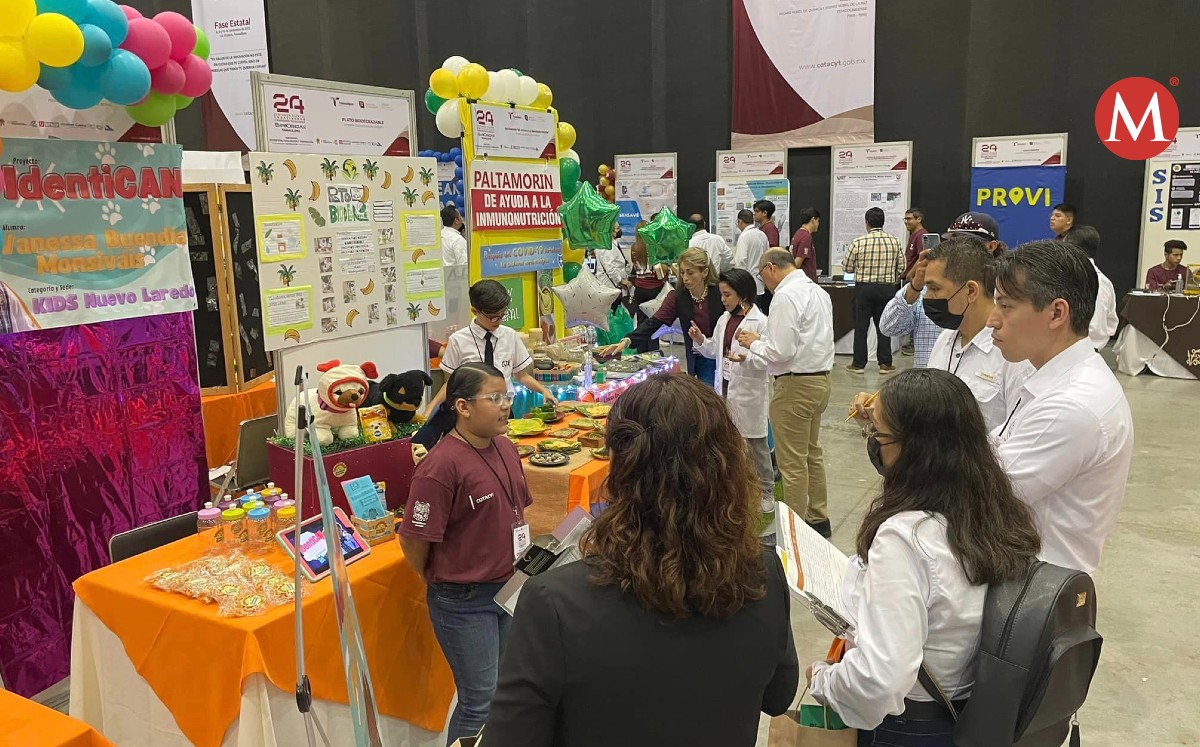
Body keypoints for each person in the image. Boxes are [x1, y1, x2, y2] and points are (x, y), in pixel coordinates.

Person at [485, 373, 799, 747]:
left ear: (619, 467)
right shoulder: (764, 573)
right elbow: (778, 696)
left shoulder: (553, 602)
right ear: (730, 466)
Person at [820, 369, 1041, 744]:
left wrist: (825, 681)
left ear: (918, 449)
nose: (873, 445)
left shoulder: (905, 538)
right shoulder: (998, 511)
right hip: (970, 712)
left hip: (911, 726)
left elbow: (880, 679)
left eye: (878, 436)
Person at [399, 363, 534, 745]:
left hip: (508, 589)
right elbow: (413, 540)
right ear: (462, 407)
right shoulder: (440, 467)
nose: (505, 405)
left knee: (504, 689)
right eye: (494, 398)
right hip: (463, 601)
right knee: (479, 700)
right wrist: (444, 578)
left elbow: (517, 511)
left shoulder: (505, 446)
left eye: (505, 396)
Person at [988, 240, 1134, 574]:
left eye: (1006, 306)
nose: (992, 320)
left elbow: (982, 494)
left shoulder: (1070, 405)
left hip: (1028, 586)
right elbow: (996, 446)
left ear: (1056, 313)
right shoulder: (1051, 377)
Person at [736, 249, 834, 537]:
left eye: (761, 274)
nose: (762, 281)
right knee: (810, 454)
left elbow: (781, 351)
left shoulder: (785, 296)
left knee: (792, 463)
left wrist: (754, 342)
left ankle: (794, 532)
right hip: (820, 380)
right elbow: (799, 342)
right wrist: (763, 340)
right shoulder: (817, 291)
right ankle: (818, 518)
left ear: (770, 268)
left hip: (795, 385)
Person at [690, 268, 776, 542]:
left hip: (750, 389)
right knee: (732, 444)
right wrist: (700, 341)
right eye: (722, 294)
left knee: (757, 445)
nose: (723, 299)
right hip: (726, 387)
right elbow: (716, 349)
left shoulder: (760, 322)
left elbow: (767, 360)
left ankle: (767, 492)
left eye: (727, 294)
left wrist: (745, 359)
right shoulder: (725, 319)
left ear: (743, 294)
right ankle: (740, 489)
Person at [920, 237, 1033, 430]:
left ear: (971, 290)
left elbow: (1018, 438)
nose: (927, 298)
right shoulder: (946, 339)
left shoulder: (1014, 355)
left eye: (935, 289)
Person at [880, 212, 1002, 369]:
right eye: (953, 241)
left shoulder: (1004, 297)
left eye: (969, 244)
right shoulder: (928, 291)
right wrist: (916, 286)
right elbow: (889, 327)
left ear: (991, 247)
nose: (959, 249)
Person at [424, 280, 557, 421]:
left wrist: (543, 390)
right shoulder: (458, 340)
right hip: (472, 417)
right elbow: (450, 384)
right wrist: (431, 407)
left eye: (502, 315)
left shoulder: (509, 335)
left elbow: (521, 376)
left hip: (504, 413)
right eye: (493, 316)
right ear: (475, 311)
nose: (498, 321)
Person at [599, 248, 724, 385]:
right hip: (698, 357)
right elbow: (654, 322)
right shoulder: (678, 296)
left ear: (704, 272)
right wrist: (627, 341)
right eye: (682, 272)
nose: (685, 278)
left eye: (690, 272)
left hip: (724, 354)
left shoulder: (720, 292)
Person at [843, 207, 905, 374]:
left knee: (861, 327)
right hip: (886, 289)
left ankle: (858, 364)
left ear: (867, 223)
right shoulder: (895, 241)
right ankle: (885, 363)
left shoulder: (858, 242)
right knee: (884, 326)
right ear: (883, 222)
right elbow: (902, 267)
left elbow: (847, 267)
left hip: (863, 289)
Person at [1062, 225, 1118, 350]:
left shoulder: (1091, 281)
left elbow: (1094, 327)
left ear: (1071, 248)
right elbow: (1110, 322)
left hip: (1079, 349)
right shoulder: (1104, 281)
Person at [625, 220, 668, 332]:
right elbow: (663, 270)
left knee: (641, 321)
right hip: (655, 289)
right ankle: (653, 347)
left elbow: (634, 265)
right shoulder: (655, 247)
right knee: (653, 321)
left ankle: (641, 347)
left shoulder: (634, 248)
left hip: (639, 289)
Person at [733, 208, 770, 308]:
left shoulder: (744, 236)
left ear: (739, 221)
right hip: (760, 284)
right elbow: (767, 257)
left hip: (747, 286)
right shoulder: (762, 235)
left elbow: (740, 261)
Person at [593, 222, 632, 303]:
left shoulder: (613, 244)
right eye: (617, 228)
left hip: (614, 287)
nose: (619, 230)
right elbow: (610, 268)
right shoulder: (606, 246)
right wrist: (620, 280)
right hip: (610, 288)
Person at [790, 207, 821, 282]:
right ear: (813, 220)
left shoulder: (798, 234)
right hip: (805, 280)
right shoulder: (806, 237)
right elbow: (797, 262)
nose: (818, 224)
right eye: (818, 221)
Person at [902, 208, 929, 278]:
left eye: (909, 219)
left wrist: (910, 274)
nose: (906, 222)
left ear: (918, 219)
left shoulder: (921, 235)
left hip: (914, 278)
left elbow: (923, 258)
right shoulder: (913, 235)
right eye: (905, 219)